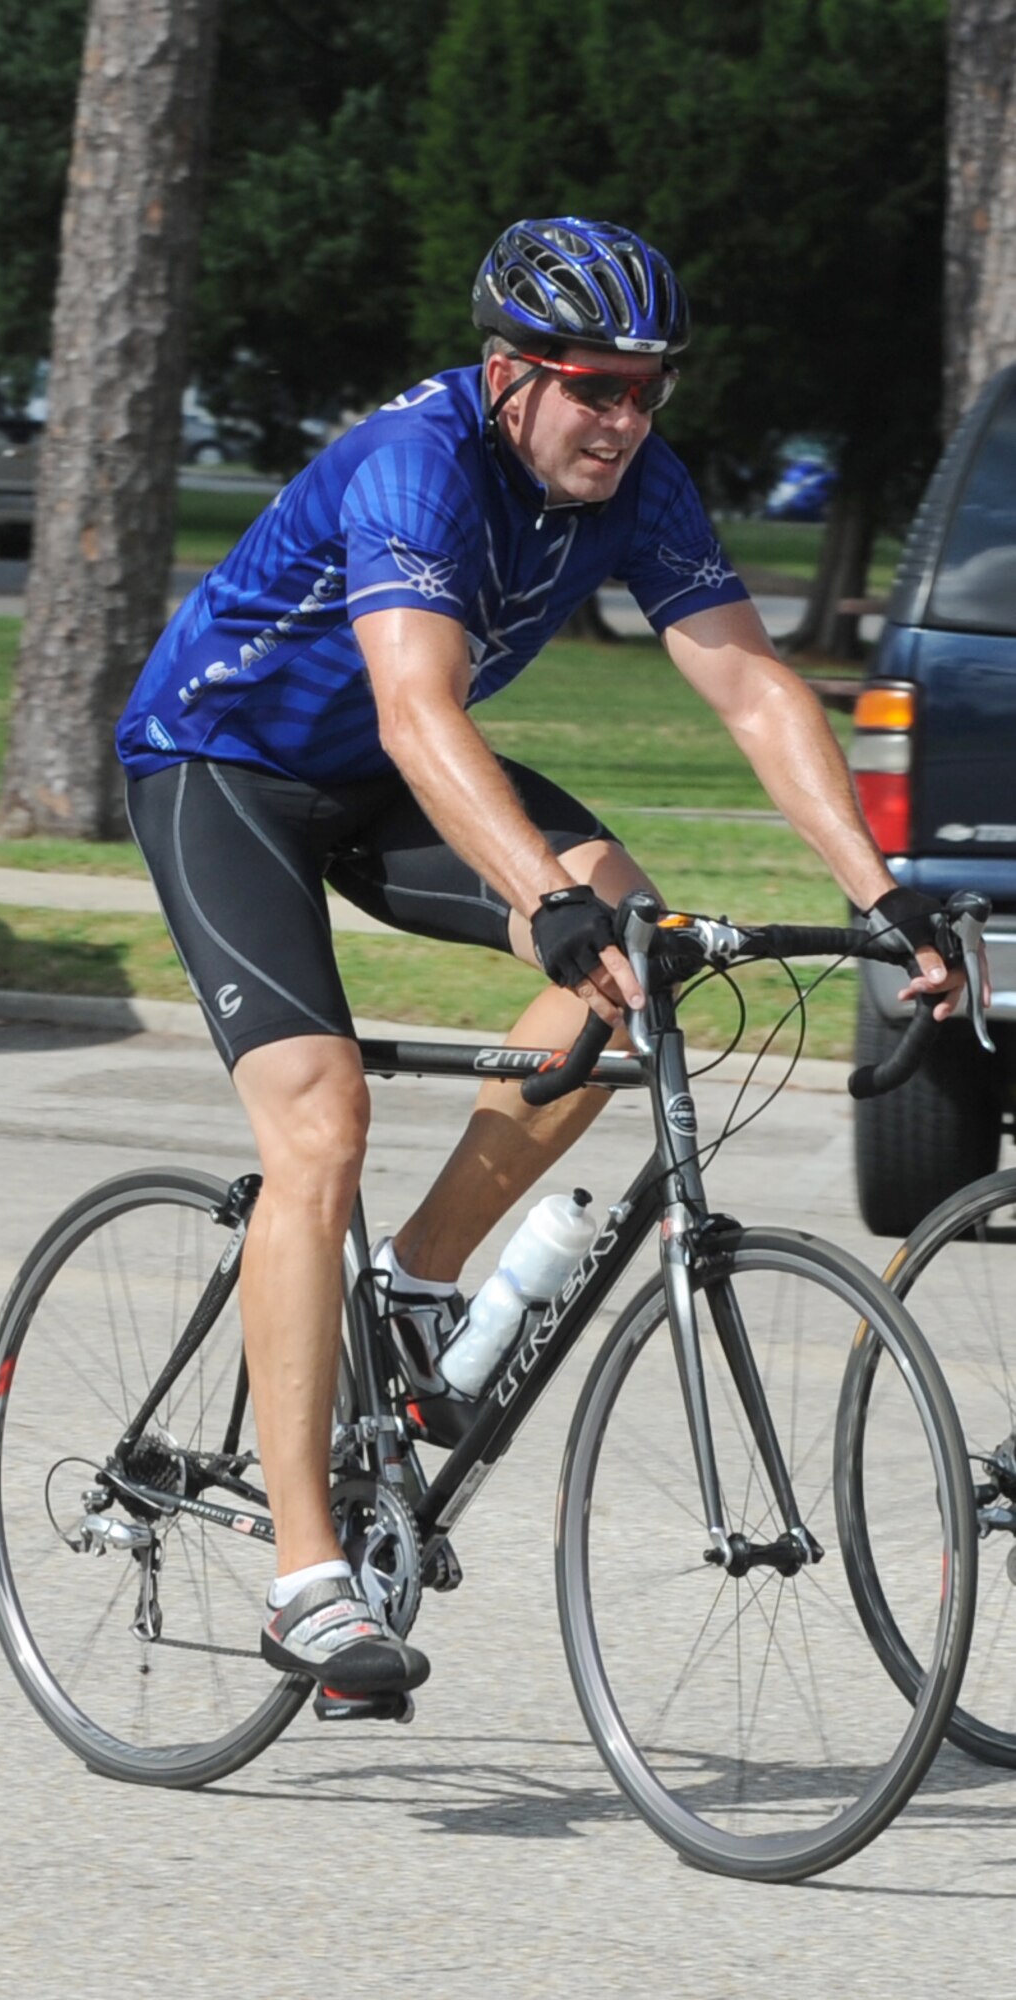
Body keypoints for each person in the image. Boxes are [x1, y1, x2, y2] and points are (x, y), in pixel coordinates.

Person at [116, 215, 956, 1699]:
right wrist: (536, 894)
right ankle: (306, 1578)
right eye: (595, 388)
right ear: (510, 375)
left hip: (385, 779)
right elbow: (417, 710)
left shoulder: (643, 483)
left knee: (641, 952)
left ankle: (417, 1278)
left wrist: (880, 893)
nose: (625, 420)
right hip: (222, 768)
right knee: (320, 1121)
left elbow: (753, 688)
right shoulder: (417, 463)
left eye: (649, 389)